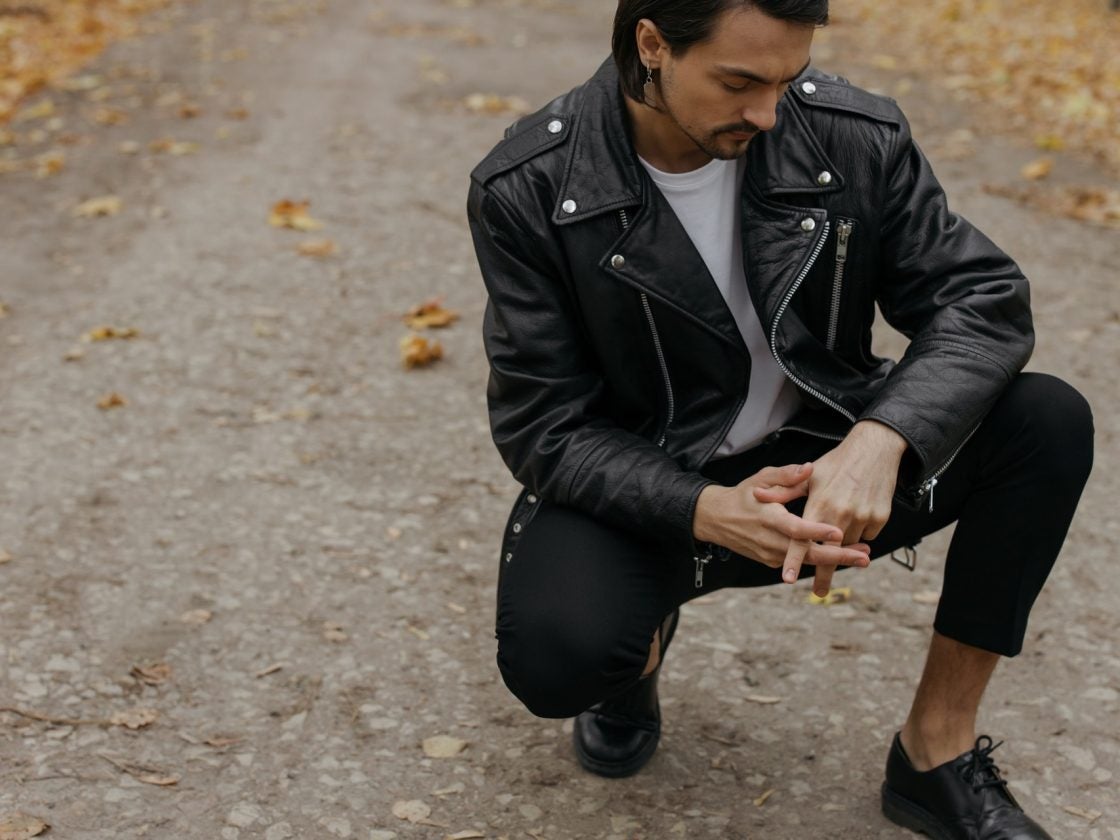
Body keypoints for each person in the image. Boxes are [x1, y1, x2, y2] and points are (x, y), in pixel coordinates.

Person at [466, 0, 1094, 836]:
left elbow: (982, 300)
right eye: (739, 83)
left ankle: (934, 753)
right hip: (656, 481)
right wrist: (702, 508)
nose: (768, 113)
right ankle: (636, 652)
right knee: (562, 656)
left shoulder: (849, 135)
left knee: (1046, 421)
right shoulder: (532, 185)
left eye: (787, 79)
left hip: (823, 464)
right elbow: (545, 425)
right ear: (652, 44)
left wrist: (881, 440)